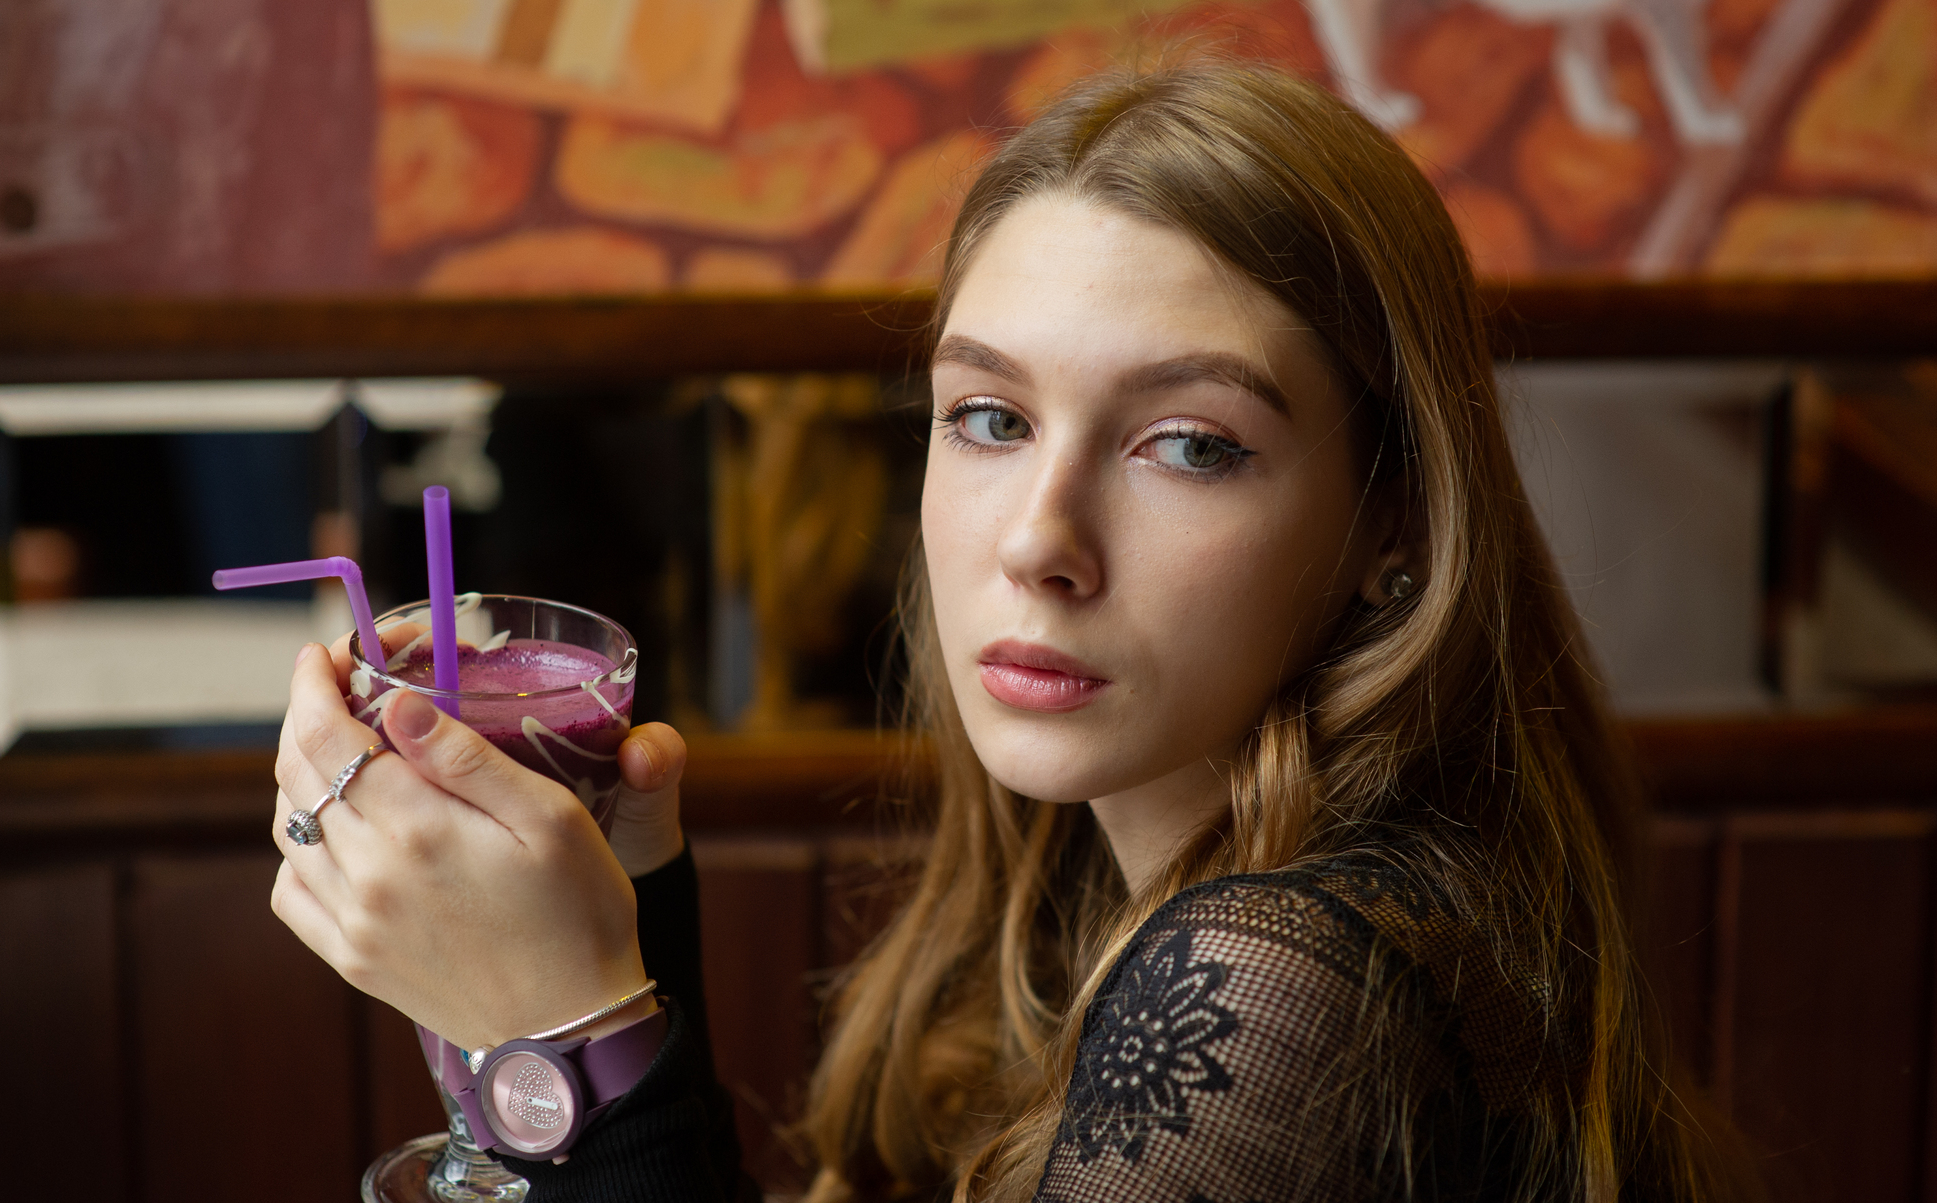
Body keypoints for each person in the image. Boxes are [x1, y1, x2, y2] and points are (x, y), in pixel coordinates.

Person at [271, 64, 1756, 1202]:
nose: (1038, 539)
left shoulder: (1292, 975)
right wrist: (620, 937)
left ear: (1393, 527)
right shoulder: (1090, 893)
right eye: (989, 417)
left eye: (1188, 445)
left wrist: (565, 1041)